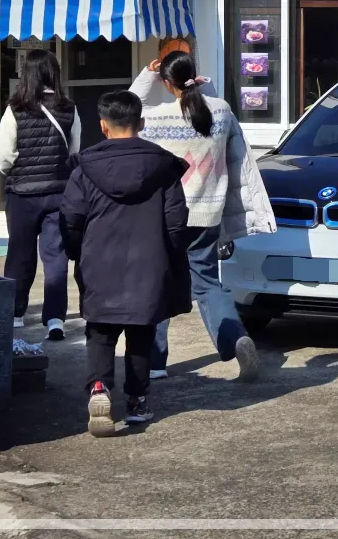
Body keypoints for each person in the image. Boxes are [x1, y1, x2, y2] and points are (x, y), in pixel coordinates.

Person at [129, 50, 276, 382]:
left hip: (166, 217)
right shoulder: (221, 111)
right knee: (209, 286)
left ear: (167, 83)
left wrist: (147, 75)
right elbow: (211, 112)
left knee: (160, 285)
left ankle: (154, 362)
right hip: (208, 215)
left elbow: (128, 105)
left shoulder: (156, 118)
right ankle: (236, 339)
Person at [60, 90, 192, 437]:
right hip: (149, 262)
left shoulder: (85, 168)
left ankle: (100, 390)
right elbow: (176, 221)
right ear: (142, 123)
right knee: (141, 332)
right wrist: (172, 255)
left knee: (100, 332)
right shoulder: (163, 166)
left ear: (103, 126)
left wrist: (78, 251)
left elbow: (71, 218)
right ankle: (136, 400)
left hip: (99, 260)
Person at [0, 49, 79, 340]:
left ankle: (16, 313)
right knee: (56, 256)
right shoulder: (68, 107)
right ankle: (55, 318)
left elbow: (4, 155)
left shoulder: (15, 108)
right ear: (53, 72)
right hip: (59, 191)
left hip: (22, 194)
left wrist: (17, 170)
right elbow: (74, 150)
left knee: (20, 254)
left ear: (27, 74)